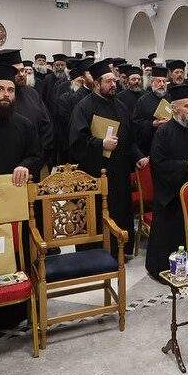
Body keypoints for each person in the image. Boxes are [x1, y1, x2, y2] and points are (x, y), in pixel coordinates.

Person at [69, 59, 148, 257]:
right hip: (94, 173)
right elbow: (77, 142)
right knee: (97, 213)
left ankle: (120, 251)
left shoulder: (121, 106)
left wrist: (137, 156)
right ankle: (96, 254)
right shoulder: (83, 107)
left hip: (119, 173)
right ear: (97, 83)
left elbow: (129, 139)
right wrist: (101, 144)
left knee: (120, 211)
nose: (114, 84)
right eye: (109, 81)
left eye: (114, 81)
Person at [0, 62, 43, 328]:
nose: (6, 95)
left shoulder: (24, 124)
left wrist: (26, 166)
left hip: (15, 207)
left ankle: (18, 308)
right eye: (0, 89)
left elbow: (37, 155)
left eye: (10, 90)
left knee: (17, 253)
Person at [145, 84, 188, 278]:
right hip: (171, 196)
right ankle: (163, 271)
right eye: (186, 106)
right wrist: (184, 166)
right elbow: (158, 163)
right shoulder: (164, 132)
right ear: (174, 109)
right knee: (169, 237)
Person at [0, 49, 54, 169]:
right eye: (16, 71)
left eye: (23, 70)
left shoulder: (32, 93)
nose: (21, 74)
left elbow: (46, 125)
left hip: (32, 164)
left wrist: (39, 158)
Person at [56, 58, 94, 163]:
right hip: (74, 145)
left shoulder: (98, 96)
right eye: (79, 81)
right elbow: (65, 126)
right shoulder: (66, 99)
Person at [132, 65, 171, 155]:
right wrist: (153, 124)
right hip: (149, 145)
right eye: (159, 81)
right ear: (152, 82)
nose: (162, 84)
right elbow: (136, 123)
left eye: (164, 81)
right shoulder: (143, 100)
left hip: (168, 144)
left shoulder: (171, 99)